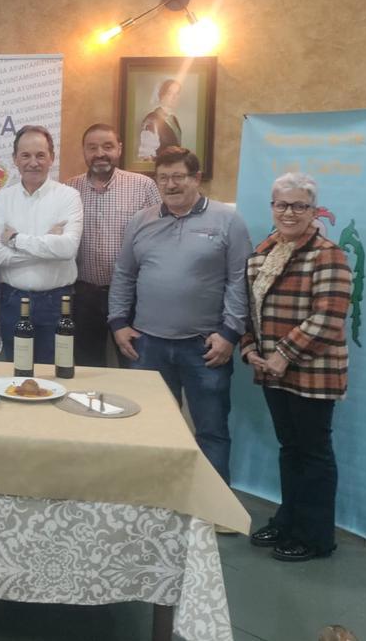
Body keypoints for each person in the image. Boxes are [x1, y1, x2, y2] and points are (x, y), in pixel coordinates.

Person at [108, 146, 251, 483]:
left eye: (178, 177)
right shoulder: (140, 221)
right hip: (146, 345)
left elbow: (240, 280)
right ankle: (158, 500)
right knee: (150, 427)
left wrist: (230, 332)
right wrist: (118, 323)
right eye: (163, 178)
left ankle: (215, 512)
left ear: (196, 178)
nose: (170, 185)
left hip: (205, 347)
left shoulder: (227, 220)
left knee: (212, 431)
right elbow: (124, 274)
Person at [242, 172, 352, 563]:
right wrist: (250, 348)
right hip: (272, 371)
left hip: (313, 372)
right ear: (272, 208)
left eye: (299, 205)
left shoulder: (328, 254)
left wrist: (283, 353)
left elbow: (329, 317)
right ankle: (290, 520)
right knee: (291, 450)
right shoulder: (263, 251)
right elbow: (249, 311)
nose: (289, 212)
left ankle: (317, 537)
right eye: (281, 205)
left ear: (313, 210)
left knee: (314, 453)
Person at [66, 123, 161, 366]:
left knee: (135, 363)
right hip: (84, 294)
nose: (100, 153)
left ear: (119, 149)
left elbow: (161, 237)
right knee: (86, 366)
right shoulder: (68, 189)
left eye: (107, 146)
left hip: (133, 295)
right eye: (92, 147)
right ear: (84, 152)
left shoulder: (143, 186)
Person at [0, 125, 82, 364]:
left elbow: (68, 249)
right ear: (14, 159)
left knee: (54, 375)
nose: (33, 162)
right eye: (25, 155)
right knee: (15, 374)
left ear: (51, 158)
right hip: (12, 301)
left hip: (58, 302)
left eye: (40, 155)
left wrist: (16, 240)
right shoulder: (1, 199)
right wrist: (48, 245)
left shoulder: (68, 197)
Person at [137, 78, 183, 160]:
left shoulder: (174, 119)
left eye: (177, 93)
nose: (174, 97)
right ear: (161, 95)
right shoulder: (151, 119)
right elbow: (146, 156)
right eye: (169, 93)